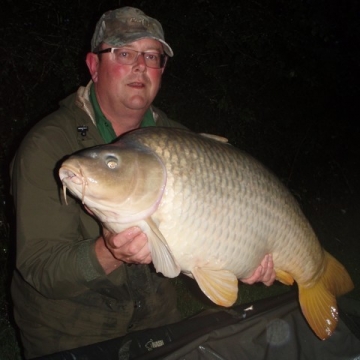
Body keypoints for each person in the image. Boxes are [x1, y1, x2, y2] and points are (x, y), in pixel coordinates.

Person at [10, 7, 276, 358]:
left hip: (156, 321)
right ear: (94, 65)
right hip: (71, 333)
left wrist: (243, 256)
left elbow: (210, 233)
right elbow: (41, 268)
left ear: (161, 71)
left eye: (151, 56)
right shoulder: (49, 145)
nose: (140, 65)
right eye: (124, 53)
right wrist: (108, 253)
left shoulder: (179, 141)